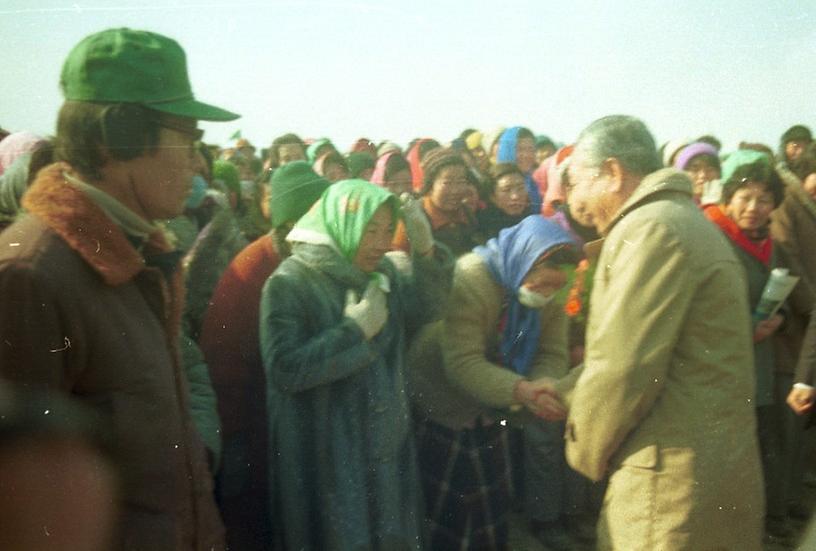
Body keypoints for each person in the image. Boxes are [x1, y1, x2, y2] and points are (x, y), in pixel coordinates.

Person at [0, 27, 238, 550]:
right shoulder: (28, 277)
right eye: (190, 138)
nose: (200, 162)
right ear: (119, 137)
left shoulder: (141, 256)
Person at [559, 115, 763, 550]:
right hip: (703, 469)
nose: (574, 202)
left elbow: (625, 368)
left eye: (577, 184)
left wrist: (582, 449)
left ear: (613, 174)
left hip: (668, 484)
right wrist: (562, 391)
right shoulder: (680, 220)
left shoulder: (649, 229)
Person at [260, 179, 453, 550]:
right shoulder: (289, 283)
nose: (381, 243)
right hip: (327, 458)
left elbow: (429, 312)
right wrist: (353, 332)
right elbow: (284, 369)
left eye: (386, 230)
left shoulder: (383, 274)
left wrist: (425, 250)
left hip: (385, 446)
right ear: (339, 223)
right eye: (370, 230)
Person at [409, 215, 577, 550]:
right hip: (443, 396)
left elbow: (552, 350)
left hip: (498, 394)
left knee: (491, 499)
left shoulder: (555, 289)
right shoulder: (473, 276)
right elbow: (462, 362)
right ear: (523, 262)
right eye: (539, 284)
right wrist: (522, 390)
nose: (546, 294)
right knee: (452, 504)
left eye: (554, 288)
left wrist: (544, 384)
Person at [199, 161, 330, 551]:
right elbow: (224, 368)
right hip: (252, 430)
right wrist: (235, 444)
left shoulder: (304, 262)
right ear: (291, 223)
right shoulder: (252, 272)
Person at [704, 150, 813, 543]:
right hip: (723, 367)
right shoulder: (712, 241)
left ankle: (763, 522)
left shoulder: (772, 247)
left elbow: (796, 299)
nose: (753, 208)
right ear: (728, 198)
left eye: (763, 200)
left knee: (763, 449)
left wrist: (779, 319)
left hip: (761, 365)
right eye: (745, 197)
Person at [393, 147, 480, 257]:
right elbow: (399, 261)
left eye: (461, 181)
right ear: (430, 185)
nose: (455, 190)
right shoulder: (413, 217)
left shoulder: (467, 214)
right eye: (447, 183)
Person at [476, 162, 530, 240]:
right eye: (506, 190)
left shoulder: (531, 218)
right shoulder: (485, 228)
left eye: (520, 188)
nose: (515, 196)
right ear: (492, 197)